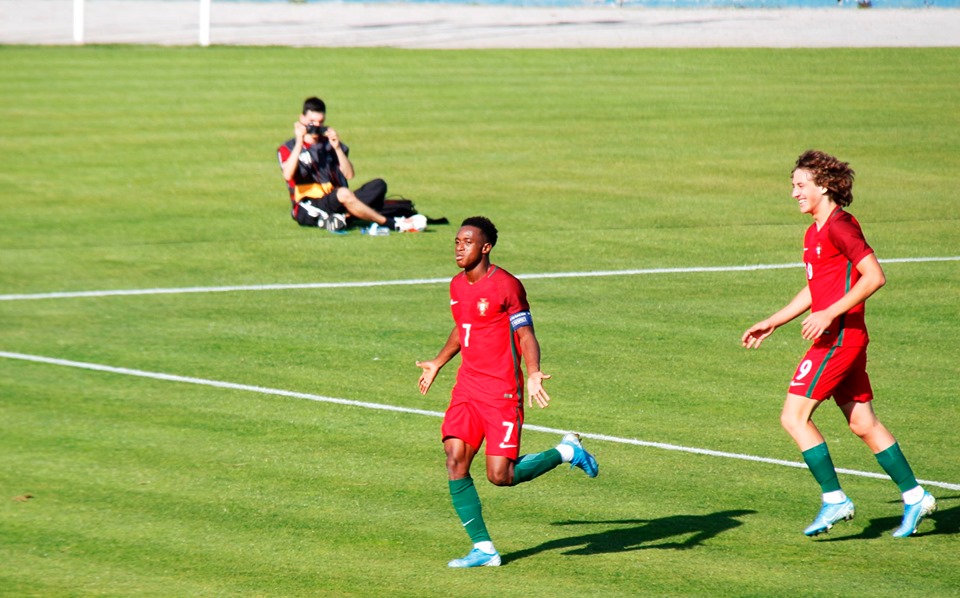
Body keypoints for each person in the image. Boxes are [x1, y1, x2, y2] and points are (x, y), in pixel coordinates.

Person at [742, 150, 936, 538]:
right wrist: (775, 320)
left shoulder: (841, 227)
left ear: (825, 186)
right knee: (863, 423)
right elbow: (818, 288)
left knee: (794, 417)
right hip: (840, 337)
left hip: (840, 340)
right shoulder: (814, 232)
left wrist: (829, 313)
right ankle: (916, 497)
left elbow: (874, 276)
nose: (794, 193)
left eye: (801, 185)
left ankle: (835, 499)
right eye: (793, 186)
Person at [416, 216, 599, 568]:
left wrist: (533, 373)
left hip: (501, 392)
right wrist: (438, 362)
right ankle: (484, 548)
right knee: (454, 460)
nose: (459, 247)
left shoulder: (507, 286)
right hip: (467, 388)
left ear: (485, 247)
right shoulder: (456, 285)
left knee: (501, 476)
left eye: (467, 242)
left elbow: (526, 334)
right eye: (457, 241)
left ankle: (567, 451)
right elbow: (464, 327)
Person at [277, 97, 425, 233]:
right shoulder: (288, 148)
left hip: (337, 199)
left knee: (378, 185)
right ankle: (393, 224)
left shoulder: (329, 144)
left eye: (320, 122)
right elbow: (287, 175)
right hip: (308, 205)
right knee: (344, 194)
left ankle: (342, 218)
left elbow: (349, 175)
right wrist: (299, 142)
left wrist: (337, 148)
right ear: (302, 119)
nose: (316, 126)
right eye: (312, 122)